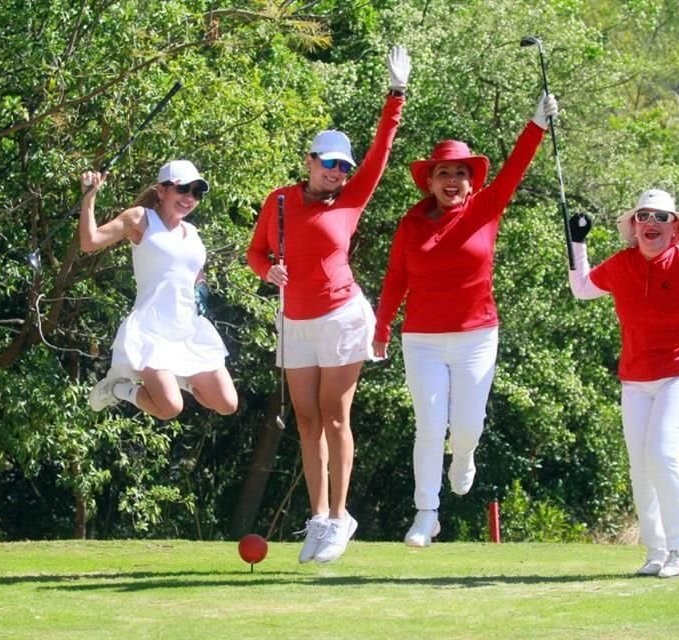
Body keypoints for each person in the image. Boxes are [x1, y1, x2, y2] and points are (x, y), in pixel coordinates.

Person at [246, 46, 411, 564]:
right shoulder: (278, 200)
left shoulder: (351, 199)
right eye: (330, 163)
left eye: (344, 166)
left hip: (341, 316)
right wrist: (266, 270)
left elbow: (383, 152)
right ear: (310, 162)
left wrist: (396, 97)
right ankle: (318, 518)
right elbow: (256, 252)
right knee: (305, 419)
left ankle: (340, 517)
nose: (338, 172)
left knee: (335, 417)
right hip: (295, 320)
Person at [372, 93, 559, 548]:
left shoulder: (485, 209)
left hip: (476, 336)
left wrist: (536, 123)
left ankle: (465, 457)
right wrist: (381, 330)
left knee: (466, 427)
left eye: (460, 172)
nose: (452, 179)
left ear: (471, 182)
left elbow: (515, 167)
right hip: (422, 340)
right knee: (430, 424)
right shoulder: (411, 225)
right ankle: (426, 514)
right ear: (430, 182)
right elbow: (396, 279)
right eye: (443, 172)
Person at [567, 188, 679, 578]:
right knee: (640, 466)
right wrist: (577, 244)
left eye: (661, 217)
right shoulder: (621, 264)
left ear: (675, 228)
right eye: (644, 216)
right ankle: (656, 551)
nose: (651, 223)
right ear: (633, 226)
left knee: (662, 453)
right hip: (636, 378)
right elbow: (582, 289)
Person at [80, 160, 238, 419]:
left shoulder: (192, 233)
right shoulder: (141, 219)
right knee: (169, 408)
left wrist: (201, 288)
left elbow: (195, 271)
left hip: (187, 329)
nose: (189, 197)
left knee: (226, 403)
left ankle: (180, 377)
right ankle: (118, 388)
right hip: (151, 332)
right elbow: (89, 242)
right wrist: (89, 198)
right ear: (161, 191)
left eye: (196, 192)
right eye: (183, 189)